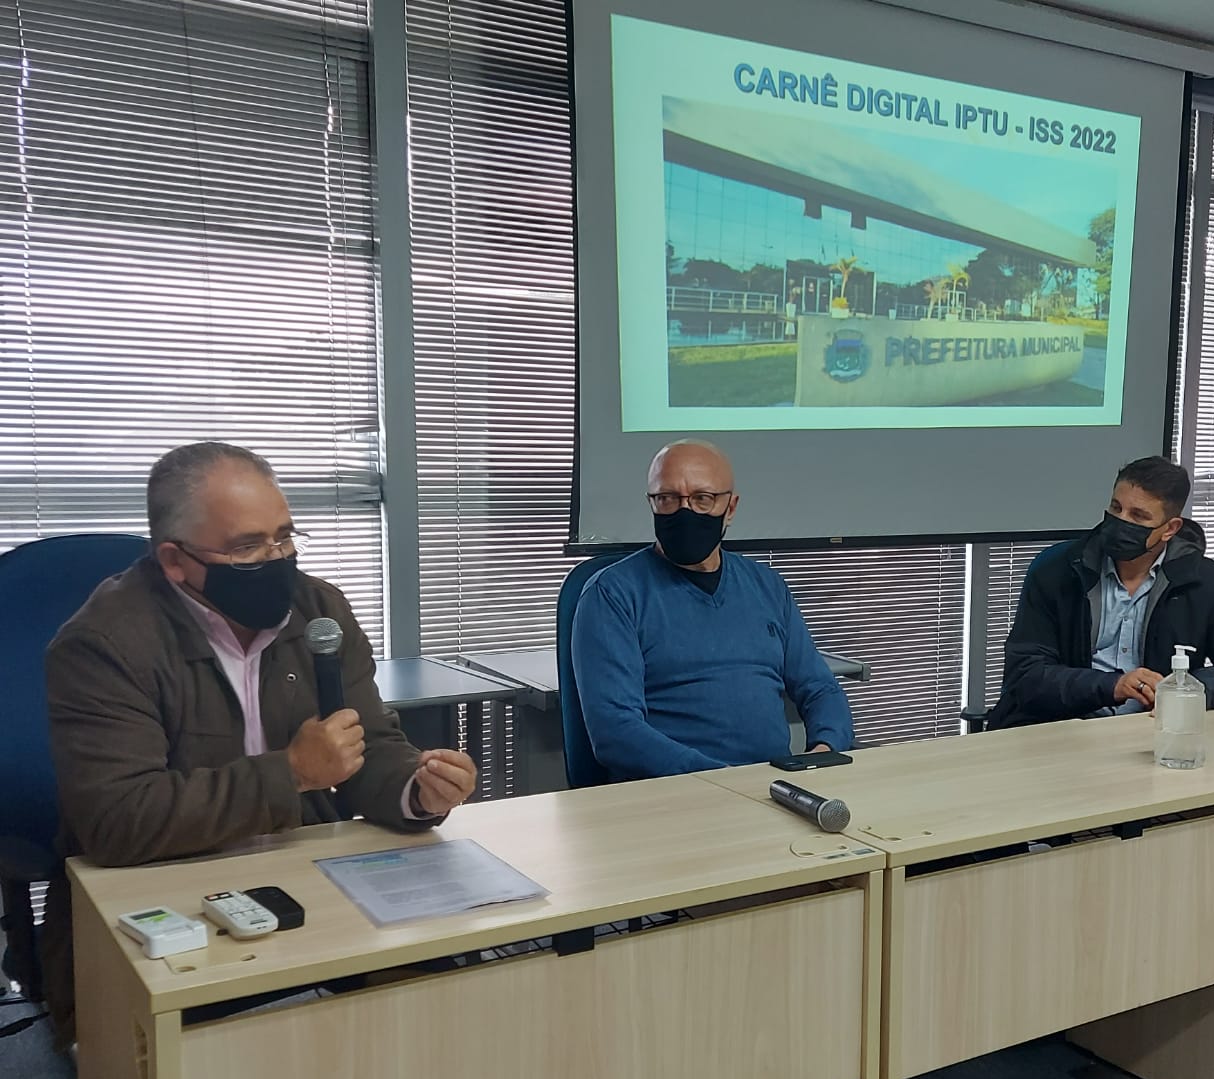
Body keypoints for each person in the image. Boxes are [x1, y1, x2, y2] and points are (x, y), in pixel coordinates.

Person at [41, 442, 478, 1044]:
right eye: (247, 547)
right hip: (164, 897)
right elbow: (119, 820)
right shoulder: (104, 644)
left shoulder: (318, 611)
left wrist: (417, 789)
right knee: (248, 1058)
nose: (277, 560)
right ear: (175, 560)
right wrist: (292, 773)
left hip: (303, 878)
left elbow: (367, 744)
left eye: (285, 537)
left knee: (451, 1005)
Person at [571, 440, 853, 781]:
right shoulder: (612, 594)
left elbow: (820, 688)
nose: (684, 512)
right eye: (667, 498)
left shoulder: (766, 586)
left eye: (702, 499)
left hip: (773, 786)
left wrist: (824, 750)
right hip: (676, 793)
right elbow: (616, 732)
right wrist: (725, 781)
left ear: (730, 508)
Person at [988, 456, 1214, 730]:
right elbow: (1025, 675)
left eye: (1139, 516)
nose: (1122, 521)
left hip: (1152, 732)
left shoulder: (1205, 581)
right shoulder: (1058, 570)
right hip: (1061, 728)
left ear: (1170, 529)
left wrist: (1185, 689)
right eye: (1116, 508)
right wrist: (1112, 686)